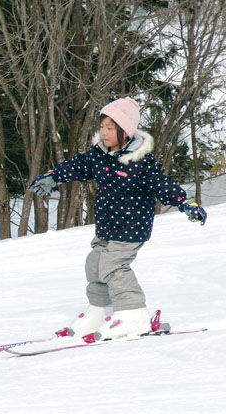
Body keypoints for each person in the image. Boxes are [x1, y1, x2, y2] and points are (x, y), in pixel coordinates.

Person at [29, 97, 206, 341]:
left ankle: (133, 313)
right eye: (102, 127)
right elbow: (78, 165)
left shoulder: (139, 160)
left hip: (132, 227)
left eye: (110, 128)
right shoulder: (98, 155)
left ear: (125, 131)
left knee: (113, 265)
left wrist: (184, 202)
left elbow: (161, 184)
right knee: (95, 263)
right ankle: (101, 311)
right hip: (107, 226)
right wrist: (53, 177)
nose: (104, 133)